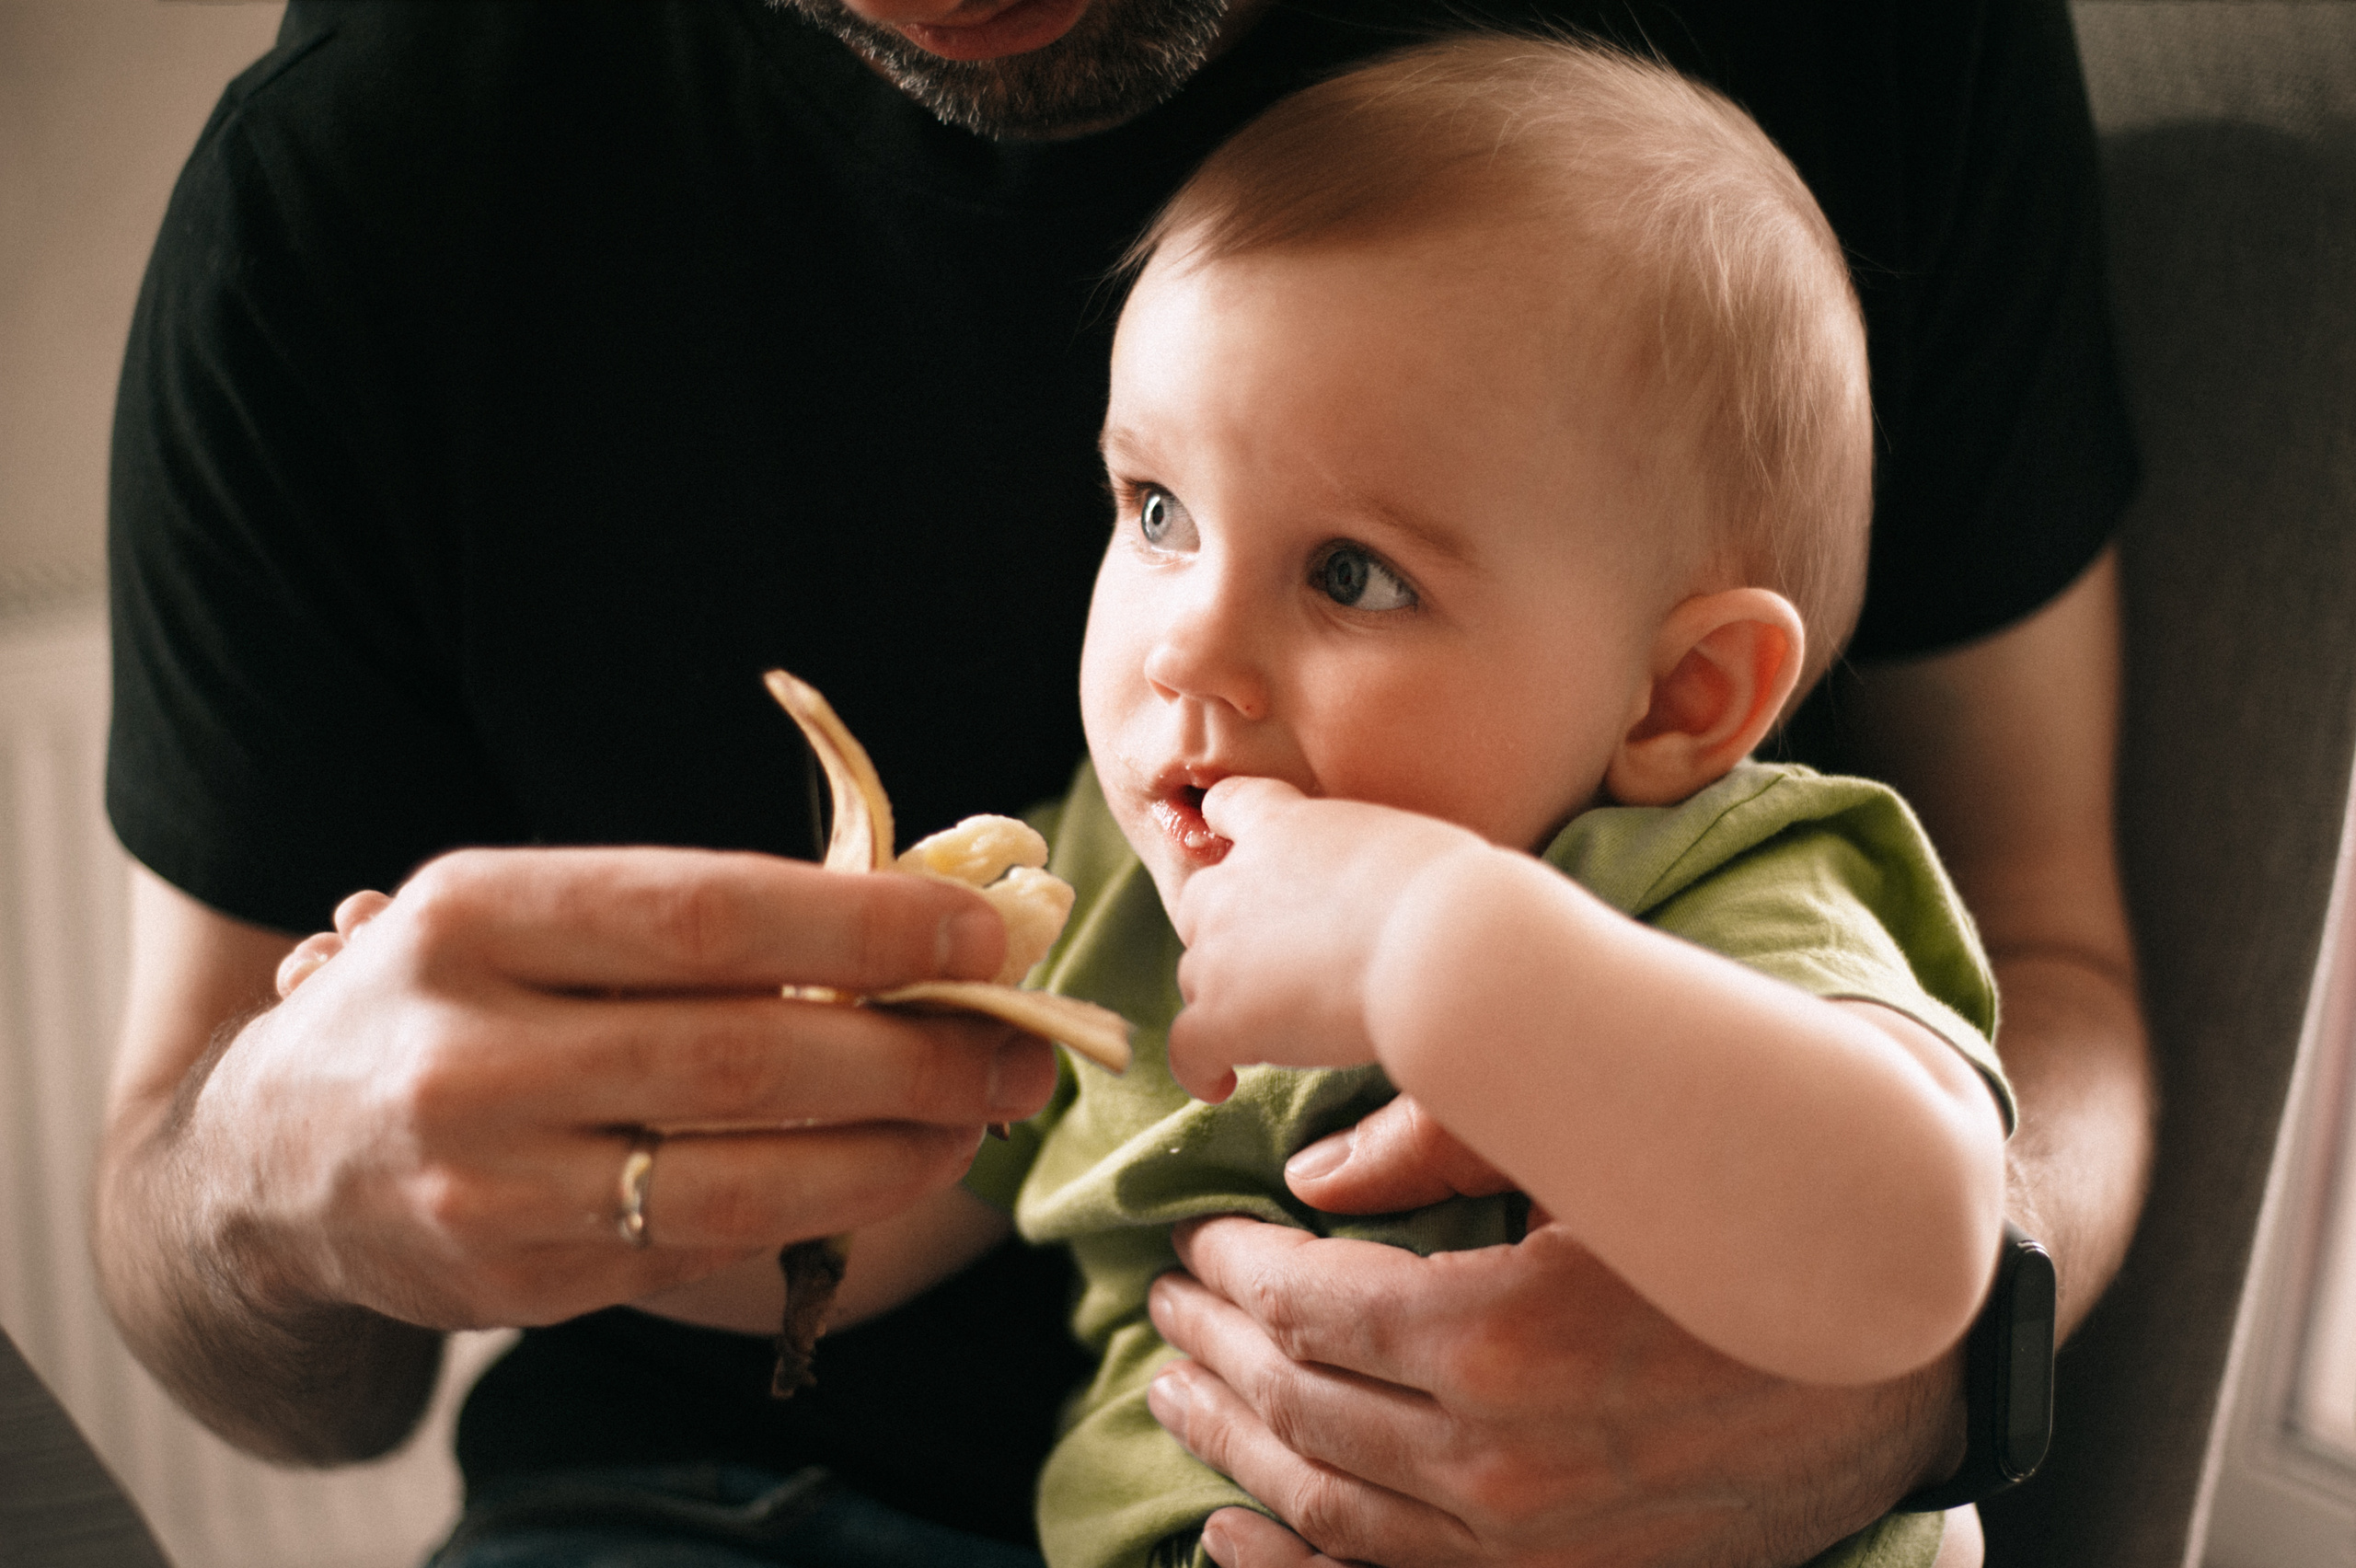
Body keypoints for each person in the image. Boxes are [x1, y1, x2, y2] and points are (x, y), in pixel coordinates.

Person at [95, 4, 2149, 1566]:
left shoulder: (1710, 883)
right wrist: (455, 1126)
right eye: (1154, 511)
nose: (1182, 648)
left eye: (1350, 574)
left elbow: (1920, 1254)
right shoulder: (1136, 872)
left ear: (1685, 692)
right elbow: (888, 1196)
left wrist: (1454, 948)